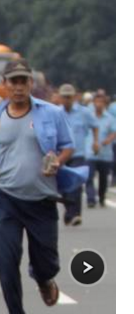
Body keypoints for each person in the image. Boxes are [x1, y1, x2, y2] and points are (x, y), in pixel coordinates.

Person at [0, 60, 74, 314]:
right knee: (5, 259)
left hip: (42, 200)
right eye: (12, 82)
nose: (18, 87)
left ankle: (43, 278)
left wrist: (57, 161)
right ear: (4, 84)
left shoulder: (51, 113)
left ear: (30, 84)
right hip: (7, 199)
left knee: (47, 262)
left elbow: (67, 146)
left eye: (23, 81)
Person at [57, 84, 97, 225]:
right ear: (60, 98)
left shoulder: (84, 112)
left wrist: (95, 142)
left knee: (76, 184)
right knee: (63, 186)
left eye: (69, 97)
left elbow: (95, 125)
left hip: (78, 153)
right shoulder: (56, 112)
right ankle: (69, 211)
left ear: (74, 97)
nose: (67, 99)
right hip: (61, 154)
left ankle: (75, 213)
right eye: (64, 97)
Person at [87, 92, 116, 207]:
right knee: (89, 176)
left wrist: (108, 140)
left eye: (101, 102)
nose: (99, 104)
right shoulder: (88, 117)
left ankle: (102, 197)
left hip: (105, 153)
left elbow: (115, 131)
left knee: (103, 179)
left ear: (105, 104)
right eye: (97, 102)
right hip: (90, 152)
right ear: (93, 103)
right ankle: (91, 198)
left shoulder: (110, 118)